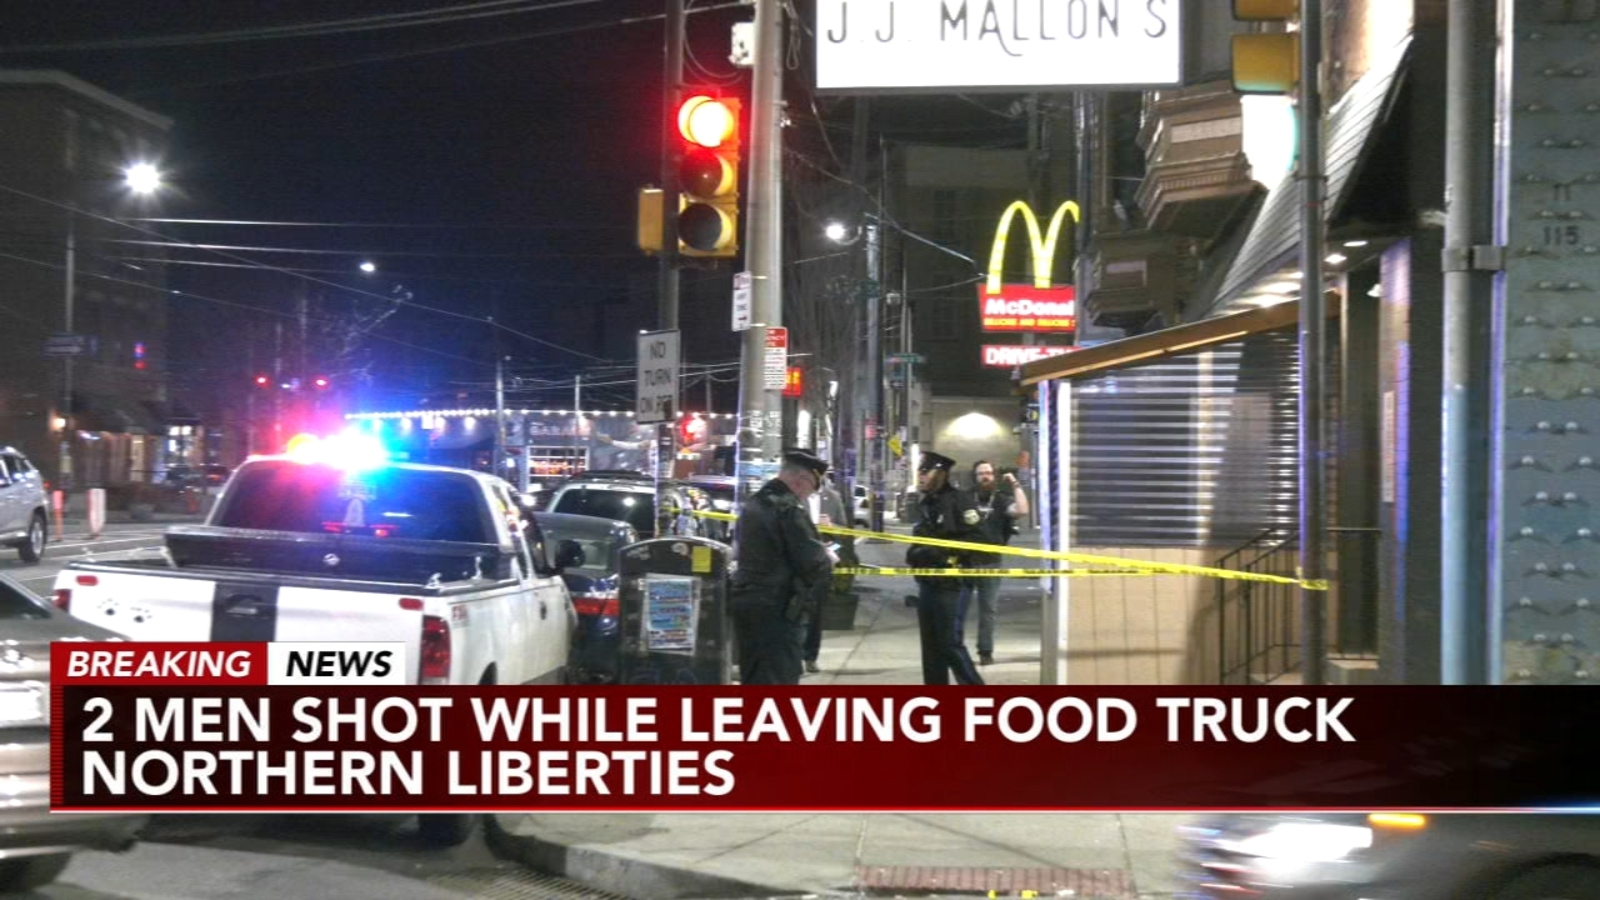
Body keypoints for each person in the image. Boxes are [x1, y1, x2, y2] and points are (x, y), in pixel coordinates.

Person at [728, 449, 836, 685]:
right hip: (778, 608)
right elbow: (811, 562)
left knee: (755, 674)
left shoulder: (754, 503)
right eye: (811, 488)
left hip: (749, 603)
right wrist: (827, 558)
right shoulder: (788, 510)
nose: (807, 496)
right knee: (779, 675)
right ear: (801, 480)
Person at [906, 451, 985, 686]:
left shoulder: (959, 501)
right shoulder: (926, 504)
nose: (920, 476)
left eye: (925, 471)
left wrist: (944, 553)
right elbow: (919, 542)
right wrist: (917, 554)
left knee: (950, 643)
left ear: (940, 473)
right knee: (931, 647)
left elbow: (979, 540)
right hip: (929, 584)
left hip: (952, 583)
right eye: (919, 471)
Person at [956, 460, 1030, 666]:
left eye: (988, 473)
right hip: (965, 563)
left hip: (990, 563)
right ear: (975, 477)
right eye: (981, 473)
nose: (985, 476)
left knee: (988, 611)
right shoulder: (965, 498)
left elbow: (1022, 510)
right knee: (957, 610)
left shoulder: (1000, 500)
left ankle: (985, 652)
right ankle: (954, 649)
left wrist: (1015, 483)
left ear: (994, 476)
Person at [802, 474, 850, 675]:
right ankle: (795, 655)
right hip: (800, 562)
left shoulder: (833, 498)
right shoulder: (796, 497)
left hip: (823, 563)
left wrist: (832, 529)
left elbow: (845, 534)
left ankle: (810, 656)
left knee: (816, 613)